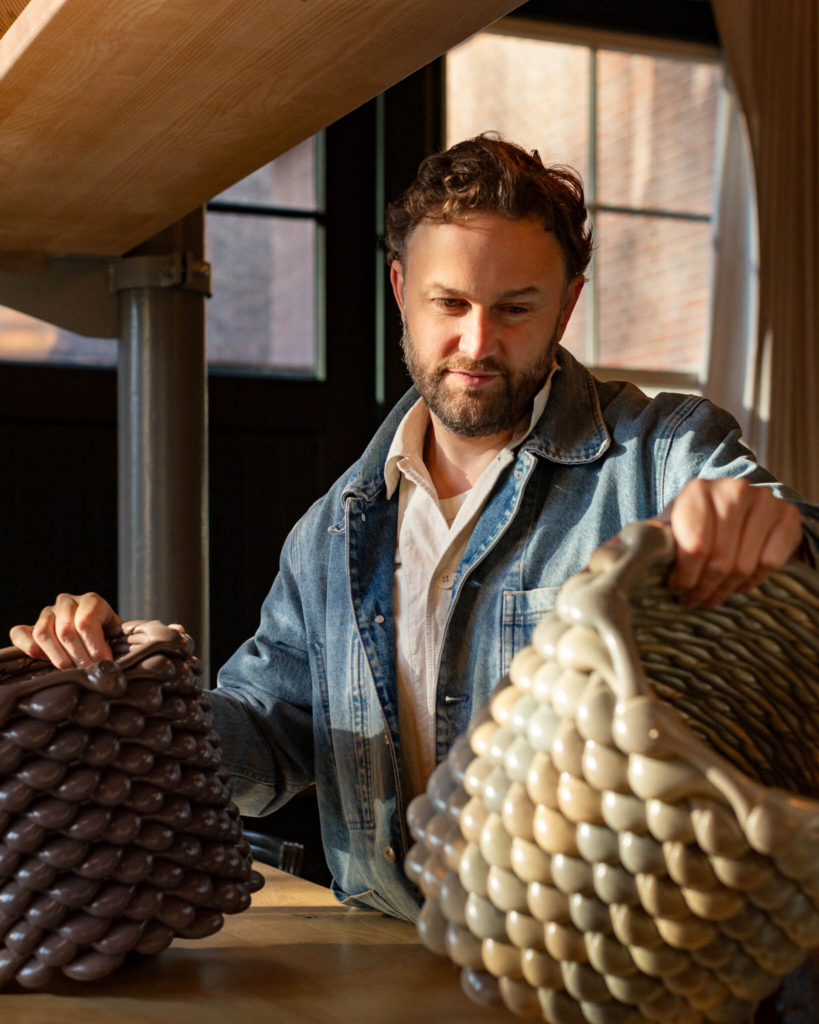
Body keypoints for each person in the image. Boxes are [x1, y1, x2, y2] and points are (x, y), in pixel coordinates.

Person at [10, 135, 815, 924]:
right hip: (392, 961)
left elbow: (787, 546)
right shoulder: (329, 532)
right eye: (449, 304)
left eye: (515, 309)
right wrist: (132, 689)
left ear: (567, 304)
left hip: (606, 972)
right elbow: (261, 748)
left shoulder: (663, 452)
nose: (476, 343)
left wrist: (769, 525)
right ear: (400, 288)